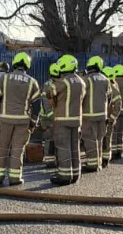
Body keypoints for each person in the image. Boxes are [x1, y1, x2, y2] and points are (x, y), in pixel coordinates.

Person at [0, 52, 42, 186]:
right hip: (22, 121)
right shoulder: (32, 82)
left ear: (14, 63)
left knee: (2, 148)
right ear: (27, 66)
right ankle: (14, 178)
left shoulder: (5, 79)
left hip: (5, 119)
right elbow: (37, 104)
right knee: (18, 150)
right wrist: (33, 122)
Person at [46, 54, 86, 185]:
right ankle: (75, 173)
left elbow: (50, 93)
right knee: (75, 147)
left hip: (63, 119)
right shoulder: (81, 81)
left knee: (63, 147)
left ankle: (64, 176)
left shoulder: (63, 82)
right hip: (77, 120)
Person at [80, 56, 110, 173]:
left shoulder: (86, 79)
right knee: (99, 139)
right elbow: (109, 96)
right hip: (103, 115)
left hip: (88, 115)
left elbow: (80, 97)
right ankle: (99, 162)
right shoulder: (105, 79)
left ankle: (92, 165)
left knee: (90, 140)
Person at [100, 66, 122, 168]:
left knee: (106, 140)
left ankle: (105, 159)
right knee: (104, 139)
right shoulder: (111, 85)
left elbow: (118, 106)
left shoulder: (113, 88)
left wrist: (111, 118)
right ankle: (103, 158)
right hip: (105, 118)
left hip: (108, 119)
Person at [39, 63, 61, 170]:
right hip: (48, 118)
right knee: (50, 140)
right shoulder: (49, 85)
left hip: (52, 117)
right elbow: (46, 104)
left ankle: (54, 159)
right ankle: (49, 161)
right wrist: (54, 117)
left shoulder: (55, 84)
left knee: (55, 139)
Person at [110, 64, 123, 159]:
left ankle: (113, 151)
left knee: (114, 131)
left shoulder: (114, 82)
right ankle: (120, 150)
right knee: (120, 132)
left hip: (116, 110)